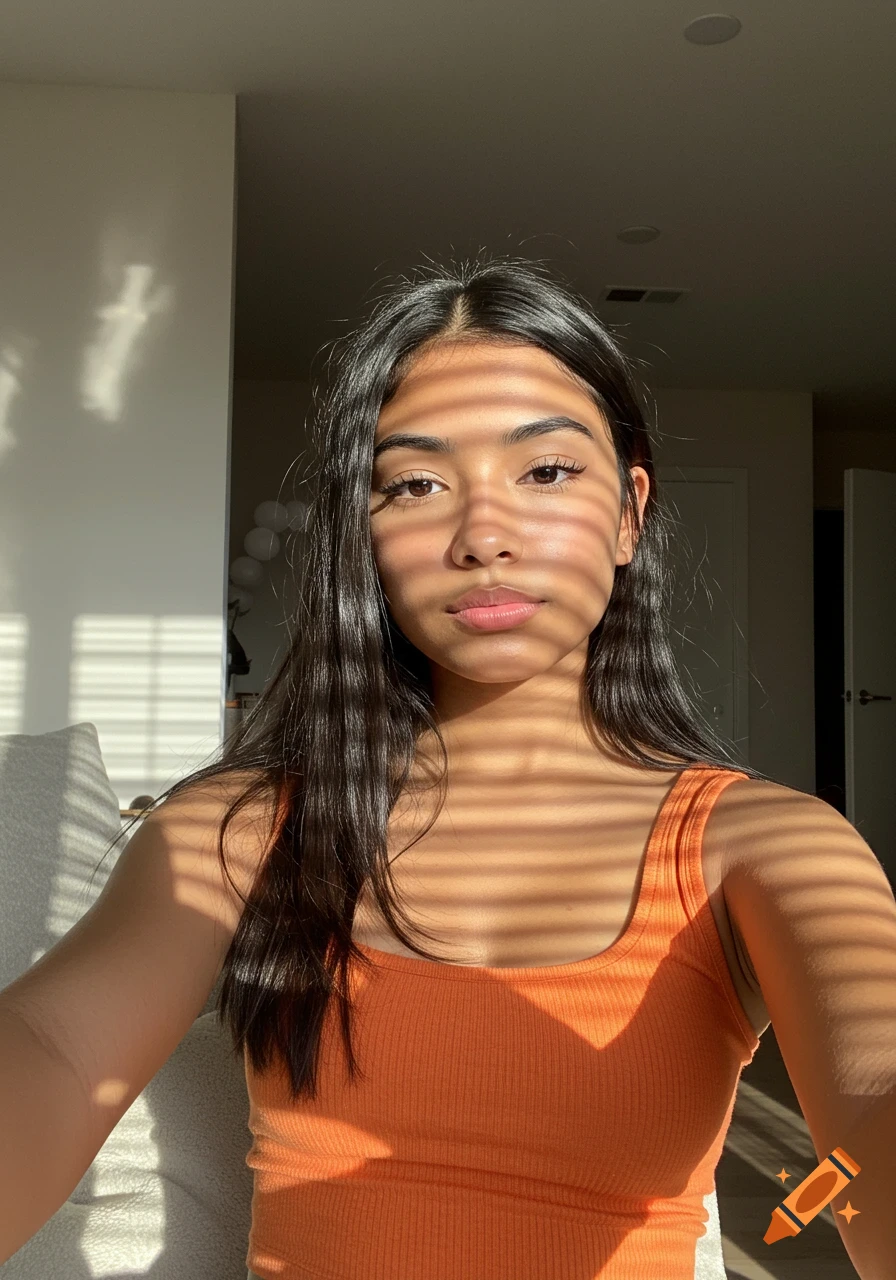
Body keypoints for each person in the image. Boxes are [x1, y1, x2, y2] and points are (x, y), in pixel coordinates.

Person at [2, 257, 895, 1280]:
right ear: (366, 534)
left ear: (627, 512)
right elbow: (56, 1045)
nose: (483, 536)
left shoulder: (766, 846)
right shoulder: (241, 828)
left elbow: (873, 1094)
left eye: (545, 471)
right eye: (416, 484)